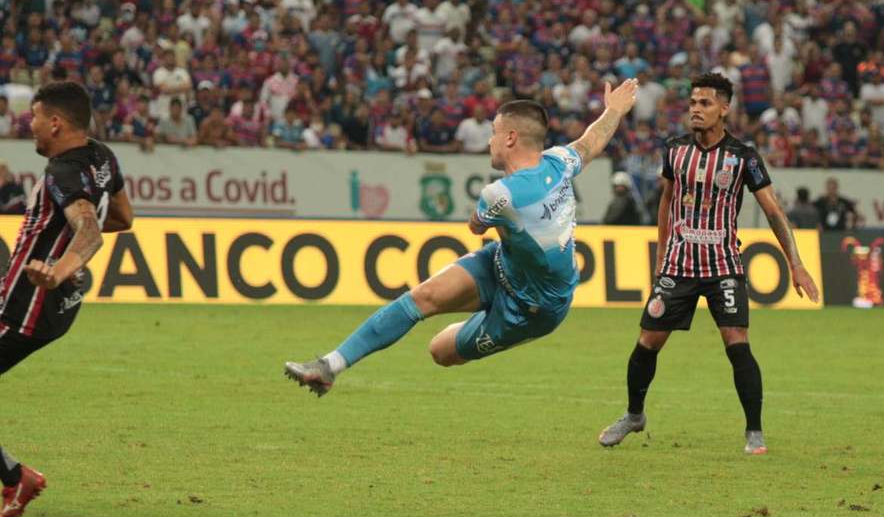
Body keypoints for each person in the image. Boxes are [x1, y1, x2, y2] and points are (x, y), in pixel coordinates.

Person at [284, 79, 640, 392]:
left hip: (535, 309)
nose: (490, 141)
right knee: (423, 296)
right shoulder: (560, 161)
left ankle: (483, 318)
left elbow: (475, 225)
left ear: (511, 138)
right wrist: (614, 111)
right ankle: (329, 366)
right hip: (503, 264)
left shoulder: (500, 194)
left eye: (494, 133)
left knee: (440, 351)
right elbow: (591, 142)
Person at [598, 72, 820, 456]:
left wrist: (796, 264)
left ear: (724, 109)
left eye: (705, 104)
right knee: (647, 343)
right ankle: (634, 415)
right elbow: (667, 202)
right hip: (679, 266)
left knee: (737, 344)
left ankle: (755, 432)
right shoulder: (675, 150)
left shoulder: (743, 157)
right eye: (693, 103)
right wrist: (661, 255)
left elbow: (773, 211)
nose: (696, 110)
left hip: (723, 266)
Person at [0, 81, 134, 517]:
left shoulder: (60, 174)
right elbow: (122, 217)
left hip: (26, 305)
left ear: (55, 123)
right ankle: (15, 478)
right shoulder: (102, 156)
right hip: (48, 305)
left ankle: (17, 478)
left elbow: (92, 231)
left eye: (34, 117)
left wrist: (57, 269)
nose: (29, 125)